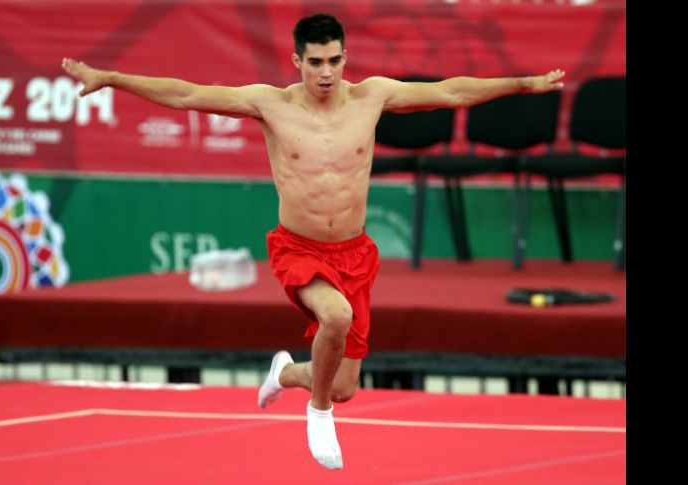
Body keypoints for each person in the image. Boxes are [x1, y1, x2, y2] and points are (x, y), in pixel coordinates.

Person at [62, 12, 564, 470]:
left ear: (346, 58)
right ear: (297, 60)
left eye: (336, 60)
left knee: (344, 385)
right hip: (298, 250)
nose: (327, 72)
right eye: (317, 62)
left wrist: (523, 83)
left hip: (355, 254)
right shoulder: (270, 105)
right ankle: (317, 413)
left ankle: (287, 374)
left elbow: (453, 93)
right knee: (336, 319)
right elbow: (187, 95)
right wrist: (110, 78)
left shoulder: (373, 96)